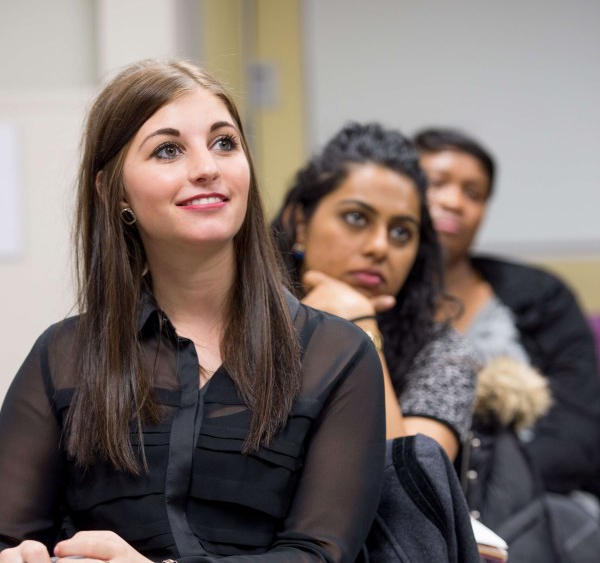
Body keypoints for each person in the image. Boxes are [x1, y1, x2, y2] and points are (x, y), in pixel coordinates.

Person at [0, 60, 386, 563]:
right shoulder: (65, 355)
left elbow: (319, 554)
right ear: (112, 191)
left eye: (224, 142)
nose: (207, 167)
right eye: (168, 150)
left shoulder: (337, 355)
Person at [414, 127, 600, 560]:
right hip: (423, 507)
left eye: (474, 193)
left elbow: (579, 435)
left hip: (544, 500)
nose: (455, 201)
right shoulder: (374, 301)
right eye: (436, 183)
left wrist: (490, 494)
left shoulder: (541, 295)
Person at [272, 122, 479, 461]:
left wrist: (362, 331)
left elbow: (412, 497)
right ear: (300, 222)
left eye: (401, 232)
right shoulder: (239, 317)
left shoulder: (443, 354)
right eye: (356, 217)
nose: (380, 247)